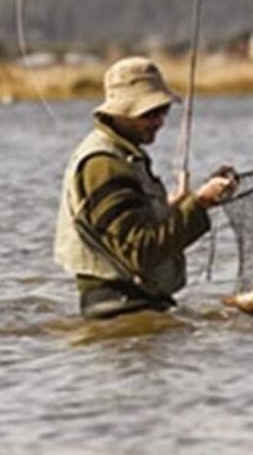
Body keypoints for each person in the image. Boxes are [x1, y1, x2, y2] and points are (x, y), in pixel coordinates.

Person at [54, 56, 237, 320]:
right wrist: (199, 204)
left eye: (163, 111)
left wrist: (173, 208)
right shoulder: (104, 165)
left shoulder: (122, 155)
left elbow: (133, 233)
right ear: (120, 112)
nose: (160, 121)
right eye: (150, 113)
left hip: (137, 306)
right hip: (120, 311)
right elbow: (142, 251)